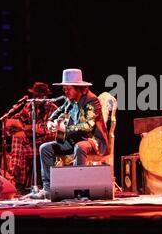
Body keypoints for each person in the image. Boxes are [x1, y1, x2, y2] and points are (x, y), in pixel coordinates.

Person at [29, 68, 109, 199]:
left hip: (92, 140)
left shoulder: (91, 101)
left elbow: (88, 125)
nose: (65, 92)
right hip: (73, 140)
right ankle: (48, 189)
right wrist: (50, 121)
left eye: (68, 88)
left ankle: (80, 190)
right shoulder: (70, 100)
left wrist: (66, 129)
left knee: (80, 147)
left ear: (78, 88)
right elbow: (57, 112)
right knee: (45, 148)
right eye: (64, 89)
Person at [7, 82, 58, 194]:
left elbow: (50, 132)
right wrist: (15, 124)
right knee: (17, 139)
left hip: (45, 145)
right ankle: (18, 177)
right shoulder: (29, 107)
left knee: (20, 149)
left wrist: (29, 130)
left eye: (41, 96)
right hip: (31, 144)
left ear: (46, 96)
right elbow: (19, 120)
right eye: (36, 95)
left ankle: (18, 181)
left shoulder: (52, 109)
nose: (38, 98)